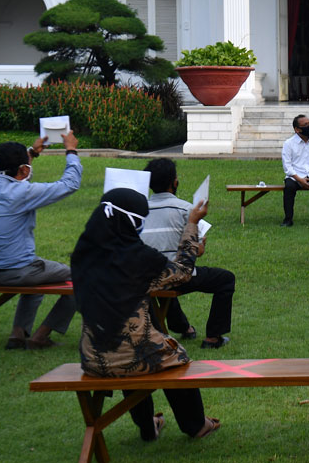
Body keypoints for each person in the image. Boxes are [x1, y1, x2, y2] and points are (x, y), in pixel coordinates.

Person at [71, 188, 220, 442]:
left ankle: (146, 425)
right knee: (173, 357)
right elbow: (182, 272)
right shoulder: (138, 259)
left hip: (93, 357)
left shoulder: (82, 255)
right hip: (131, 356)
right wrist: (192, 223)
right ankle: (196, 425)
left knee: (138, 350)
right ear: (131, 222)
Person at [0, 132, 82, 349]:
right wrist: (71, 150)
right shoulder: (23, 192)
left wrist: (32, 154)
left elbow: (16, 181)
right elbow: (70, 184)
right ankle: (41, 336)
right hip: (18, 271)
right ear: (24, 170)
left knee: (37, 271)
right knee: (83, 276)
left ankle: (18, 334)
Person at [140, 158, 236, 349]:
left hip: (146, 276)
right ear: (174, 182)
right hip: (176, 275)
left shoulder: (138, 209)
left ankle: (184, 328)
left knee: (164, 277)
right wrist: (202, 245)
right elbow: (196, 252)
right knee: (225, 279)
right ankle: (213, 337)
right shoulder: (187, 210)